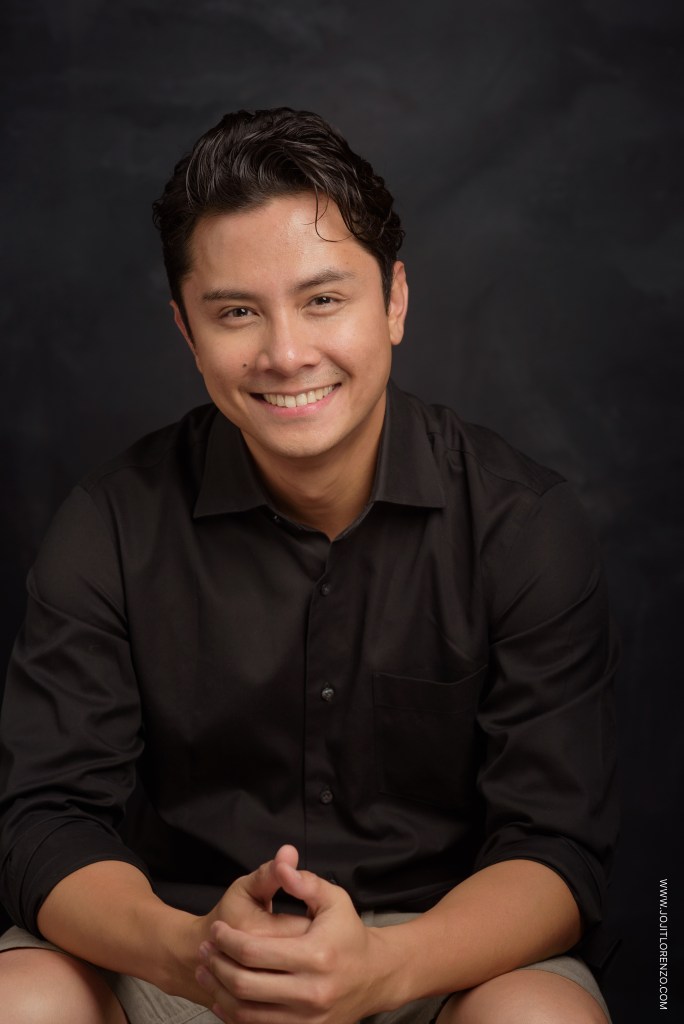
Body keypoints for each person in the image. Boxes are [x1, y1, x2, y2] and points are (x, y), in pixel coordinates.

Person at [0, 108, 618, 1024]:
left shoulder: (523, 526)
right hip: (178, 944)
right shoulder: (110, 525)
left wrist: (384, 967)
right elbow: (43, 822)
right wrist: (196, 953)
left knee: (540, 1017)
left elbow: (559, 847)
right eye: (236, 312)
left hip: (437, 956)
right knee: (20, 999)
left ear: (394, 301)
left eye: (323, 299)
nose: (286, 354)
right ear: (187, 332)